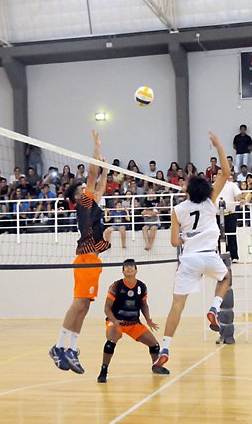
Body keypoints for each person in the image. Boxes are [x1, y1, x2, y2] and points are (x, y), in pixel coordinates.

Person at [155, 132, 232, 368]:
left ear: (187, 191)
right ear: (206, 191)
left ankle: (165, 348)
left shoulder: (177, 210)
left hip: (188, 260)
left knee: (176, 307)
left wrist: (184, 236)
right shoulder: (210, 202)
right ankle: (213, 308)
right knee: (226, 277)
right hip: (209, 256)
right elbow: (226, 174)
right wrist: (219, 145)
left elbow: (174, 243)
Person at [50, 130, 110, 374]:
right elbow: (93, 174)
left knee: (84, 307)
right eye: (85, 187)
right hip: (85, 258)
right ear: (77, 196)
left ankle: (72, 349)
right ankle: (58, 346)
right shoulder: (83, 204)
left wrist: (105, 171)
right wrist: (96, 147)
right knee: (78, 304)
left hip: (93, 258)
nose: (91, 188)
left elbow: (101, 185)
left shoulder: (92, 204)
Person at [97, 259, 169, 383]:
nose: (129, 268)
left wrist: (148, 320)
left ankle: (156, 366)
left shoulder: (141, 286)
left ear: (136, 270)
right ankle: (103, 371)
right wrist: (114, 321)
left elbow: (144, 305)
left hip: (133, 323)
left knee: (154, 344)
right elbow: (106, 308)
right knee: (110, 342)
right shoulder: (116, 286)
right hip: (116, 321)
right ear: (123, 271)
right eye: (126, 267)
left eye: (132, 267)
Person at [216, 172, 243, 262]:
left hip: (230, 214)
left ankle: (234, 256)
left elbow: (238, 194)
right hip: (217, 215)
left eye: (222, 174)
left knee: (231, 235)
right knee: (219, 236)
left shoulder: (232, 185)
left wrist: (241, 199)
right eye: (219, 174)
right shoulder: (213, 186)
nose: (221, 175)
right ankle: (222, 255)